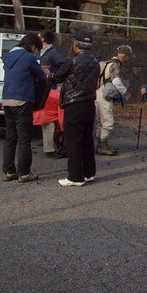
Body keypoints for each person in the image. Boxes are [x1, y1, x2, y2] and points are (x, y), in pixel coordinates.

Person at [50, 30, 101, 187]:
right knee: (87, 139)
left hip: (74, 103)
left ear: (76, 45)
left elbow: (57, 76)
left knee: (73, 140)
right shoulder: (95, 62)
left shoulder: (72, 61)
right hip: (89, 103)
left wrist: (48, 73)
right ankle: (89, 173)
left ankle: (75, 177)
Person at [1, 33, 46, 183]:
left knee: (10, 138)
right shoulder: (29, 57)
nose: (36, 52)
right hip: (22, 100)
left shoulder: (8, 57)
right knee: (24, 139)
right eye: (36, 49)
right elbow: (41, 78)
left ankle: (8, 171)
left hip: (7, 99)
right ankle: (24, 173)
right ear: (33, 46)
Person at [95, 45, 132, 156]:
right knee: (108, 121)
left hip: (97, 93)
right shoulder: (115, 64)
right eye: (128, 57)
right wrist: (125, 92)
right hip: (105, 96)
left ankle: (99, 143)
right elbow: (116, 81)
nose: (128, 59)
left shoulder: (106, 62)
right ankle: (102, 145)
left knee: (99, 121)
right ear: (124, 55)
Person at [37, 30, 66, 159]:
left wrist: (52, 75)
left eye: (39, 36)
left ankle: (50, 146)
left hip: (50, 89)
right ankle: (48, 143)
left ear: (43, 39)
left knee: (48, 118)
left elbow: (64, 66)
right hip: (42, 88)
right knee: (45, 118)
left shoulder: (53, 52)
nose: (37, 37)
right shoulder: (39, 51)